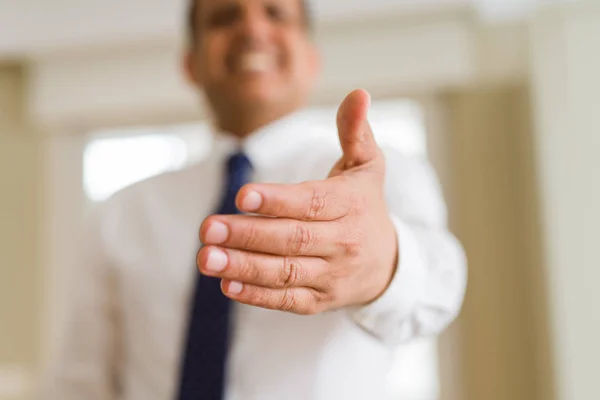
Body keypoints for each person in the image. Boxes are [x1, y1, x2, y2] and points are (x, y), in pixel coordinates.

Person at [44, 0, 467, 399]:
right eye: (225, 16)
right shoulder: (121, 214)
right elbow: (81, 383)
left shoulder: (378, 176)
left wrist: (385, 263)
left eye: (276, 13)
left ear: (310, 57)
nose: (251, 28)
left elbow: (440, 283)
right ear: (191, 64)